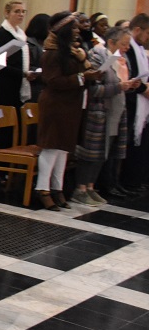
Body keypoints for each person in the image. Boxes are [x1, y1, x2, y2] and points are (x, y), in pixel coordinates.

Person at [35, 12, 100, 210]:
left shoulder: (73, 51)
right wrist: (83, 77)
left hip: (70, 104)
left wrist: (90, 73)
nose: (77, 31)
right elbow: (54, 81)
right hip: (55, 105)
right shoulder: (52, 53)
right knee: (51, 148)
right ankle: (43, 189)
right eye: (73, 28)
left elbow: (81, 73)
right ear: (62, 30)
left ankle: (57, 188)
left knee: (63, 149)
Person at [73, 26, 139, 205]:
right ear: (111, 42)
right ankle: (80, 189)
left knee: (104, 152)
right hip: (98, 112)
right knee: (90, 154)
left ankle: (90, 187)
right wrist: (119, 87)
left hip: (116, 111)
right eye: (124, 44)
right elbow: (94, 89)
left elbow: (119, 83)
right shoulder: (97, 56)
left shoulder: (121, 60)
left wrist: (129, 85)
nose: (127, 48)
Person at [121, 13, 149, 193]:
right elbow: (131, 75)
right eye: (147, 33)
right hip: (131, 100)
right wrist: (143, 88)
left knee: (138, 142)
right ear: (137, 29)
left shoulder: (139, 49)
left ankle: (135, 180)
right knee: (128, 142)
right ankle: (126, 180)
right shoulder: (129, 49)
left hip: (140, 101)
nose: (148, 38)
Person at [0, 1, 38, 111]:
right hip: (5, 84)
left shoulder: (21, 34)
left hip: (18, 82)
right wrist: (23, 73)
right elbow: (0, 62)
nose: (21, 14)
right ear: (7, 13)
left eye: (23, 11)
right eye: (17, 11)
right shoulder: (2, 33)